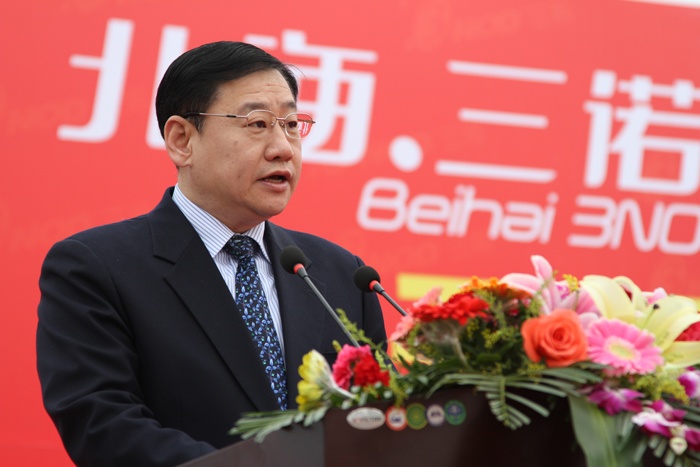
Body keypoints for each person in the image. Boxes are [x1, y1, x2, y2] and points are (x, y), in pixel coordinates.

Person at [36, 41, 387, 467]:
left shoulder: (342, 275)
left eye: (292, 124)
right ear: (182, 139)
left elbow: (376, 422)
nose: (283, 147)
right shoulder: (96, 267)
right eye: (258, 124)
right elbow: (104, 425)